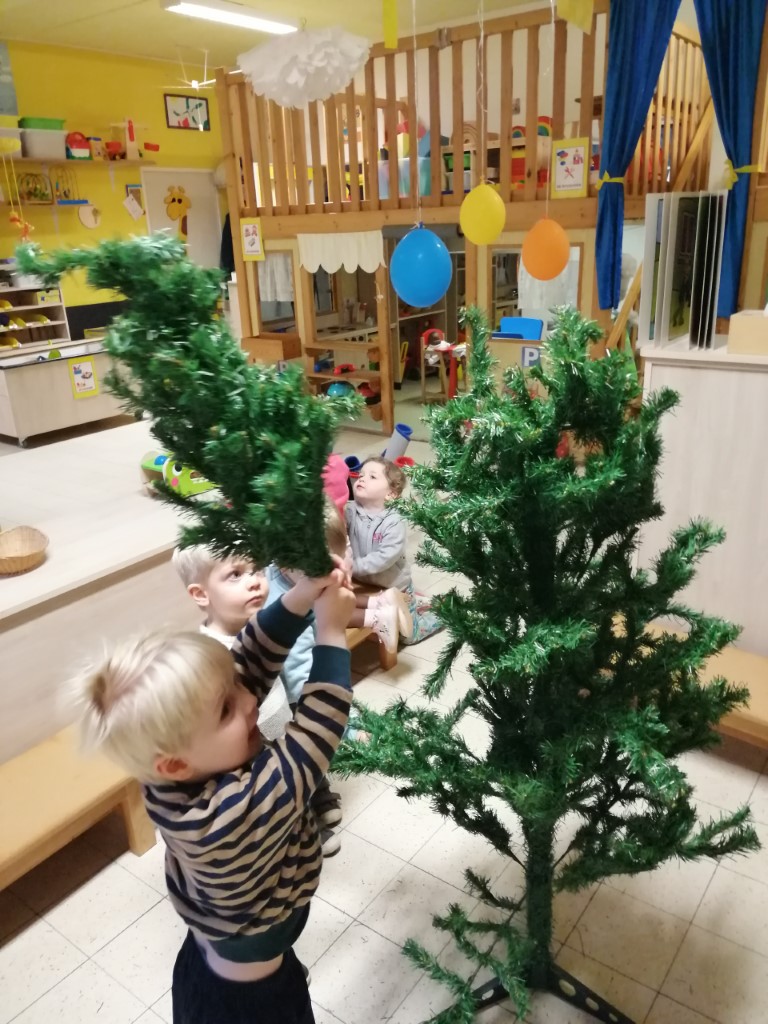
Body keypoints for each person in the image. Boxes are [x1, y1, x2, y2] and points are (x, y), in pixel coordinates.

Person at [72, 560, 355, 1024]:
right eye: (226, 709)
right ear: (176, 762)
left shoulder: (171, 770)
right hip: (253, 1002)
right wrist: (331, 631)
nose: (249, 699)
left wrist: (303, 595)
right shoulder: (233, 812)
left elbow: (247, 662)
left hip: (214, 947)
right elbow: (319, 725)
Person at [264, 499, 369, 853]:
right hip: (291, 696)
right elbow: (301, 673)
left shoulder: (300, 574)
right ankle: (307, 822)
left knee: (313, 760)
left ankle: (321, 794)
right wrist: (337, 720)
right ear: (287, 563)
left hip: (297, 682)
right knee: (301, 758)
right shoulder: (278, 598)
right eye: (319, 571)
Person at [172, 546, 292, 744]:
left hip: (287, 737)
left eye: (258, 569)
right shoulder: (208, 659)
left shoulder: (261, 627)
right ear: (201, 594)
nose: (254, 581)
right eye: (235, 574)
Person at [346, 456, 442, 647]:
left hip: (394, 587)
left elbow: (386, 556)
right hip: (361, 583)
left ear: (390, 494)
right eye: (361, 474)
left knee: (408, 636)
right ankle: (420, 604)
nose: (362, 478)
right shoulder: (350, 510)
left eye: (372, 476)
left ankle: (443, 612)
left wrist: (353, 567)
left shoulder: (394, 521)